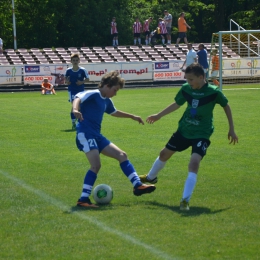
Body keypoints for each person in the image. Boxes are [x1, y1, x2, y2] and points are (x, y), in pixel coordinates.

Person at [139, 63, 238, 211]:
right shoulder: (186, 89)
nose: (188, 82)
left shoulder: (213, 92)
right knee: (164, 154)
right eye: (187, 79)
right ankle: (151, 177)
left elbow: (226, 106)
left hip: (202, 134)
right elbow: (177, 104)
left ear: (201, 77)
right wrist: (159, 115)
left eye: (191, 79)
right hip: (184, 130)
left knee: (194, 163)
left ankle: (185, 200)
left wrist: (231, 129)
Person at [73, 71, 156, 208]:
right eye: (115, 90)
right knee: (96, 165)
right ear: (107, 85)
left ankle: (138, 185)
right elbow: (78, 98)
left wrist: (132, 116)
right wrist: (75, 110)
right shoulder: (94, 93)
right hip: (85, 134)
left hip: (96, 135)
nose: (115, 93)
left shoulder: (106, 100)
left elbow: (114, 112)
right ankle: (83, 199)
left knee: (122, 155)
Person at [65, 53, 90, 130]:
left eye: (76, 60)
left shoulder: (82, 70)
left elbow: (88, 79)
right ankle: (73, 123)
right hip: (72, 90)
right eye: (73, 60)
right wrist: (67, 82)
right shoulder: (68, 70)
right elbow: (66, 79)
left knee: (80, 107)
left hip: (81, 91)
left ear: (79, 61)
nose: (75, 61)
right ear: (71, 61)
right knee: (74, 106)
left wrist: (81, 82)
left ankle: (79, 122)